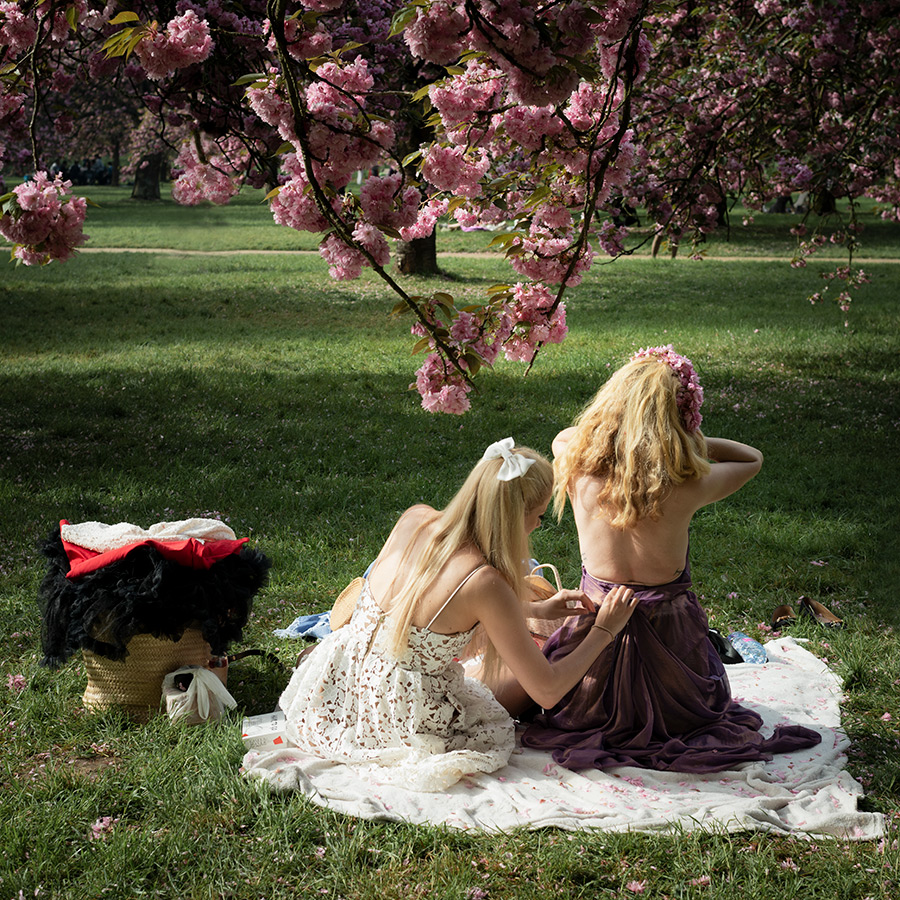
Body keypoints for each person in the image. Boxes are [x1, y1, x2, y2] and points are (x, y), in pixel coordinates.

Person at [253, 438, 638, 792]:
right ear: (512, 516)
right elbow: (548, 691)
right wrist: (605, 630)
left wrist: (535, 607)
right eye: (536, 515)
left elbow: (425, 603)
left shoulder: (416, 517)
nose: (537, 525)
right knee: (537, 668)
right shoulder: (483, 581)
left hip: (339, 680)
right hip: (396, 714)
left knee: (509, 654)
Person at [521, 346, 822, 772]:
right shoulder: (687, 483)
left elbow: (570, 436)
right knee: (695, 708)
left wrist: (617, 435)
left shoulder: (575, 463)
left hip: (592, 650)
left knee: (584, 698)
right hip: (675, 663)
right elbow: (751, 458)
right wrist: (687, 446)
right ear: (678, 418)